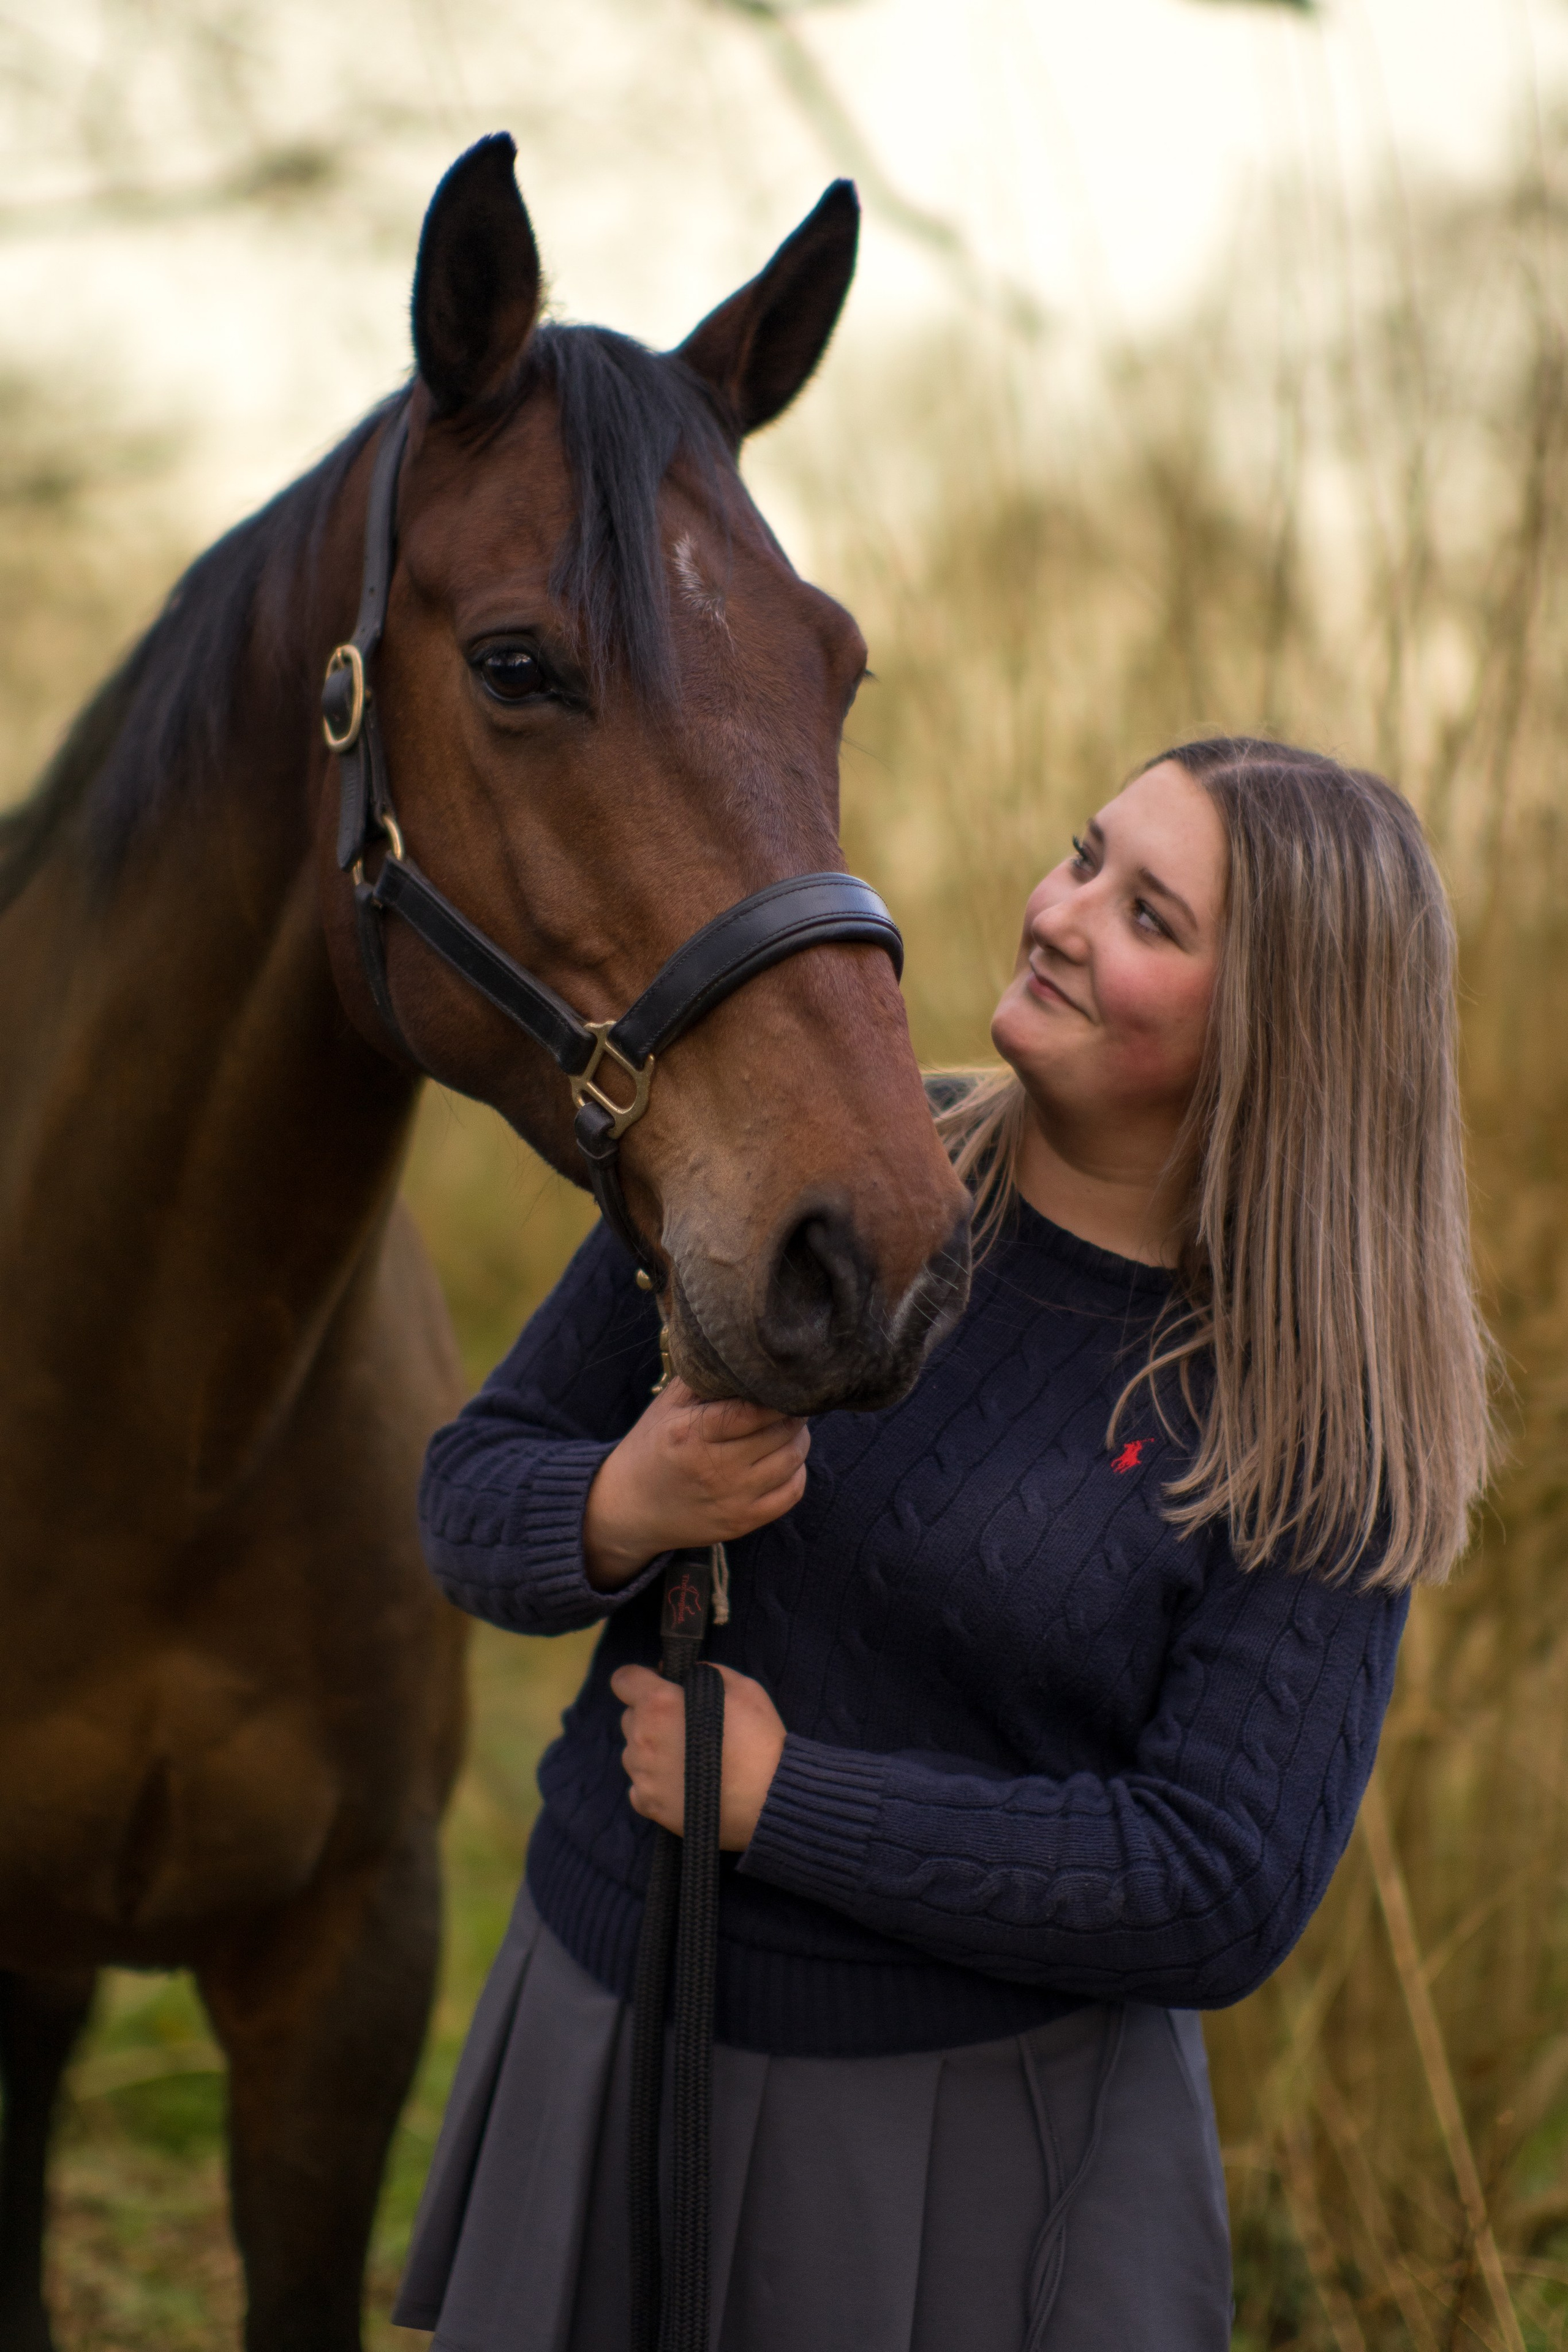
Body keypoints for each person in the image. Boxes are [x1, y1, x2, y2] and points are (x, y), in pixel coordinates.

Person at [393, 738, 1493, 2352]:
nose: (1059, 912)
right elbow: (464, 1494)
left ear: (1283, 1040)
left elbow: (1216, 1888)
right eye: (1082, 854)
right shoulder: (806, 1161)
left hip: (968, 2155)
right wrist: (621, 1505)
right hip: (605, 2026)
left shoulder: (1321, 1415)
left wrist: (784, 1801)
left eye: (1150, 917)